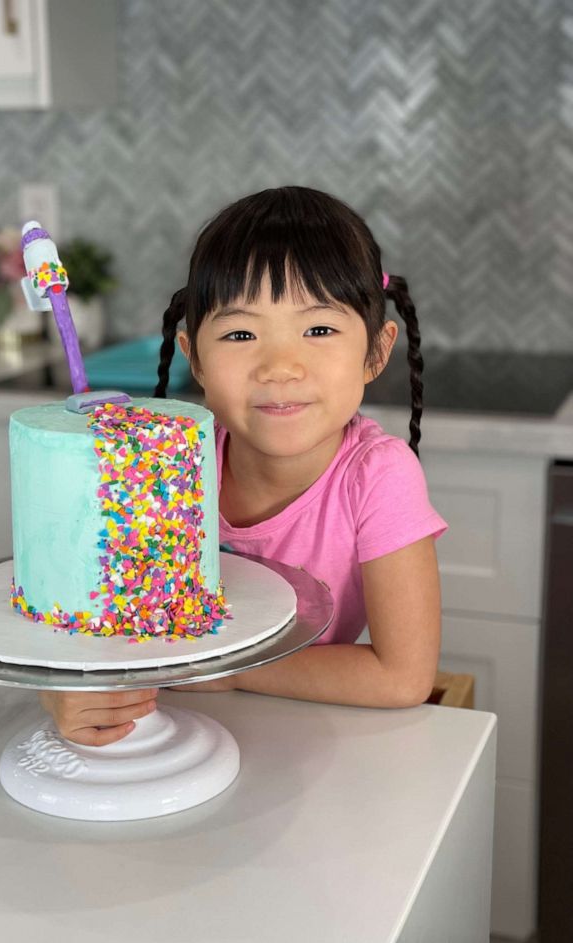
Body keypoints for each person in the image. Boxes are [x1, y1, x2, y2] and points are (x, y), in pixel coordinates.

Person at [40, 186, 447, 744]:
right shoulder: (164, 468)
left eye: (319, 329)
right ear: (195, 357)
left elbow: (403, 677)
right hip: (173, 728)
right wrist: (67, 691)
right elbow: (92, 616)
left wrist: (225, 672)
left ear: (376, 352)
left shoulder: (377, 476)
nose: (279, 367)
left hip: (309, 739)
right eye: (240, 333)